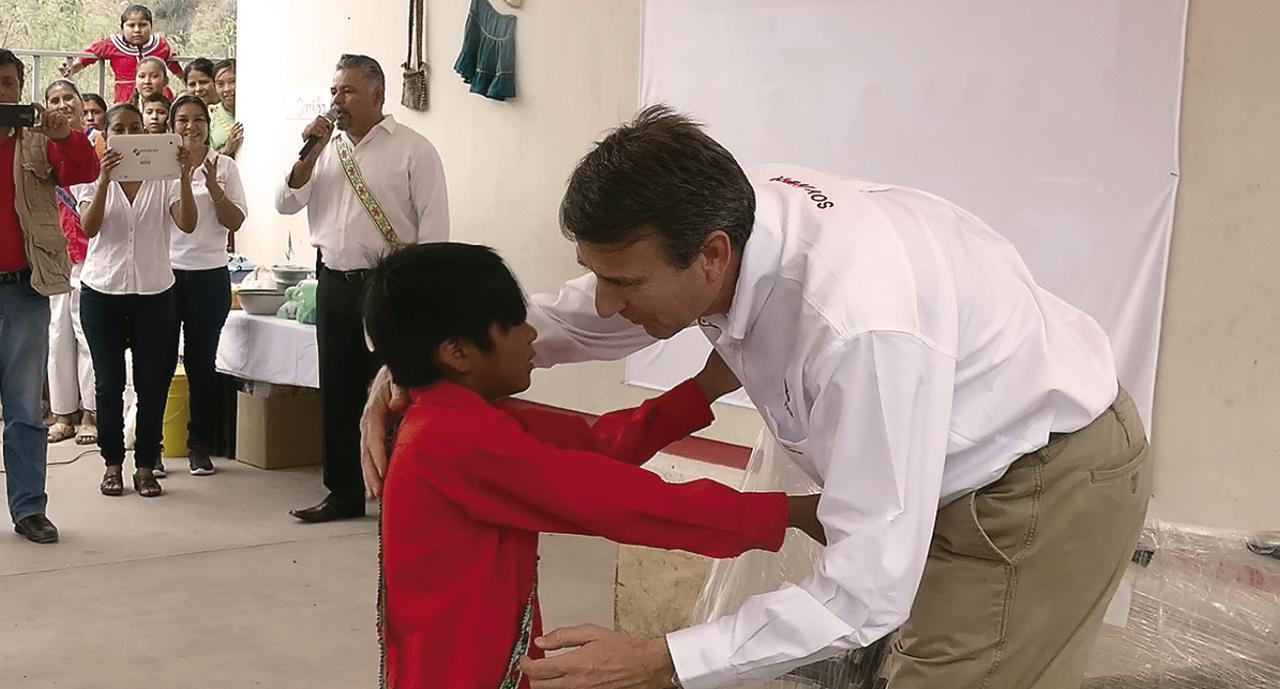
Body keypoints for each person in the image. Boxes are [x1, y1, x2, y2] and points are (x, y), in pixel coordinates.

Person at [361, 105, 1154, 689]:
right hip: (925, 470)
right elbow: (574, 373)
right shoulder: (732, 217)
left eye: (622, 282)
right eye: (597, 273)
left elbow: (865, 588)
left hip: (1033, 483)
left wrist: (664, 658)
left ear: (711, 257)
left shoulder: (858, 328)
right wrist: (407, 360)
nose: (602, 304)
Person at [366, 242, 822, 689]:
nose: (531, 336)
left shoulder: (456, 417)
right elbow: (616, 500)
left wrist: (703, 387)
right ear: (457, 353)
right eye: (514, 325)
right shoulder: (457, 441)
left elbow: (594, 447)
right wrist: (787, 513)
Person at [276, 54, 448, 523]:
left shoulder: (414, 150)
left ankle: (400, 491)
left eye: (348, 91)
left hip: (389, 287)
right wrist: (307, 154)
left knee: (393, 389)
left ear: (377, 95)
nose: (337, 101)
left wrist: (422, 295)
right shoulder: (325, 150)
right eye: (333, 91)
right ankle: (343, 492)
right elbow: (285, 202)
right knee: (337, 386)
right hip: (333, 281)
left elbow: (434, 230)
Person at [0, 50, 100, 544]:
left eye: (7, 82)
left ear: (20, 88)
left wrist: (63, 133)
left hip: (24, 288)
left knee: (23, 407)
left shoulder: (39, 139)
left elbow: (84, 169)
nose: (0, 92)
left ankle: (29, 509)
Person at [79, 103, 196, 499]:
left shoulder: (162, 176)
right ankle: (112, 463)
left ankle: (146, 464)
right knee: (109, 385)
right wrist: (104, 180)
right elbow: (89, 228)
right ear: (107, 135)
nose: (128, 137)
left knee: (152, 384)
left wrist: (183, 176)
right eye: (120, 130)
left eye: (135, 129)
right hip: (102, 293)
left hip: (154, 294)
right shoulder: (93, 175)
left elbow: (188, 222)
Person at [165, 94, 246, 475]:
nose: (191, 127)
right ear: (171, 125)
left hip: (210, 275)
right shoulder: (161, 165)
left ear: (208, 126)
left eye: (198, 119)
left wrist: (214, 187)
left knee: (202, 362)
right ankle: (155, 446)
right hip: (163, 276)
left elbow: (235, 222)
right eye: (183, 120)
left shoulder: (224, 165)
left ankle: (200, 445)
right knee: (159, 361)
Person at [43, 79, 100, 447]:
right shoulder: (43, 146)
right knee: (56, 335)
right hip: (54, 255)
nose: (62, 105)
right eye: (55, 100)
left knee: (87, 337)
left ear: (82, 107)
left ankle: (91, 414)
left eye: (69, 99)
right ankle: (63, 412)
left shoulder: (100, 145)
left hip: (93, 255)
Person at [61, 4, 182, 104]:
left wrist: (184, 79)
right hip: (126, 98)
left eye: (143, 25)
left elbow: (171, 62)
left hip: (159, 96)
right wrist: (73, 67)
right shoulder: (112, 44)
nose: (137, 30)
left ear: (151, 26)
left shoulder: (160, 43)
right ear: (122, 28)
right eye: (131, 25)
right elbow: (91, 53)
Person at [209, 59, 243, 158]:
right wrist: (226, 149)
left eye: (233, 82)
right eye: (220, 84)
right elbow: (202, 160)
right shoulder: (210, 115)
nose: (227, 89)